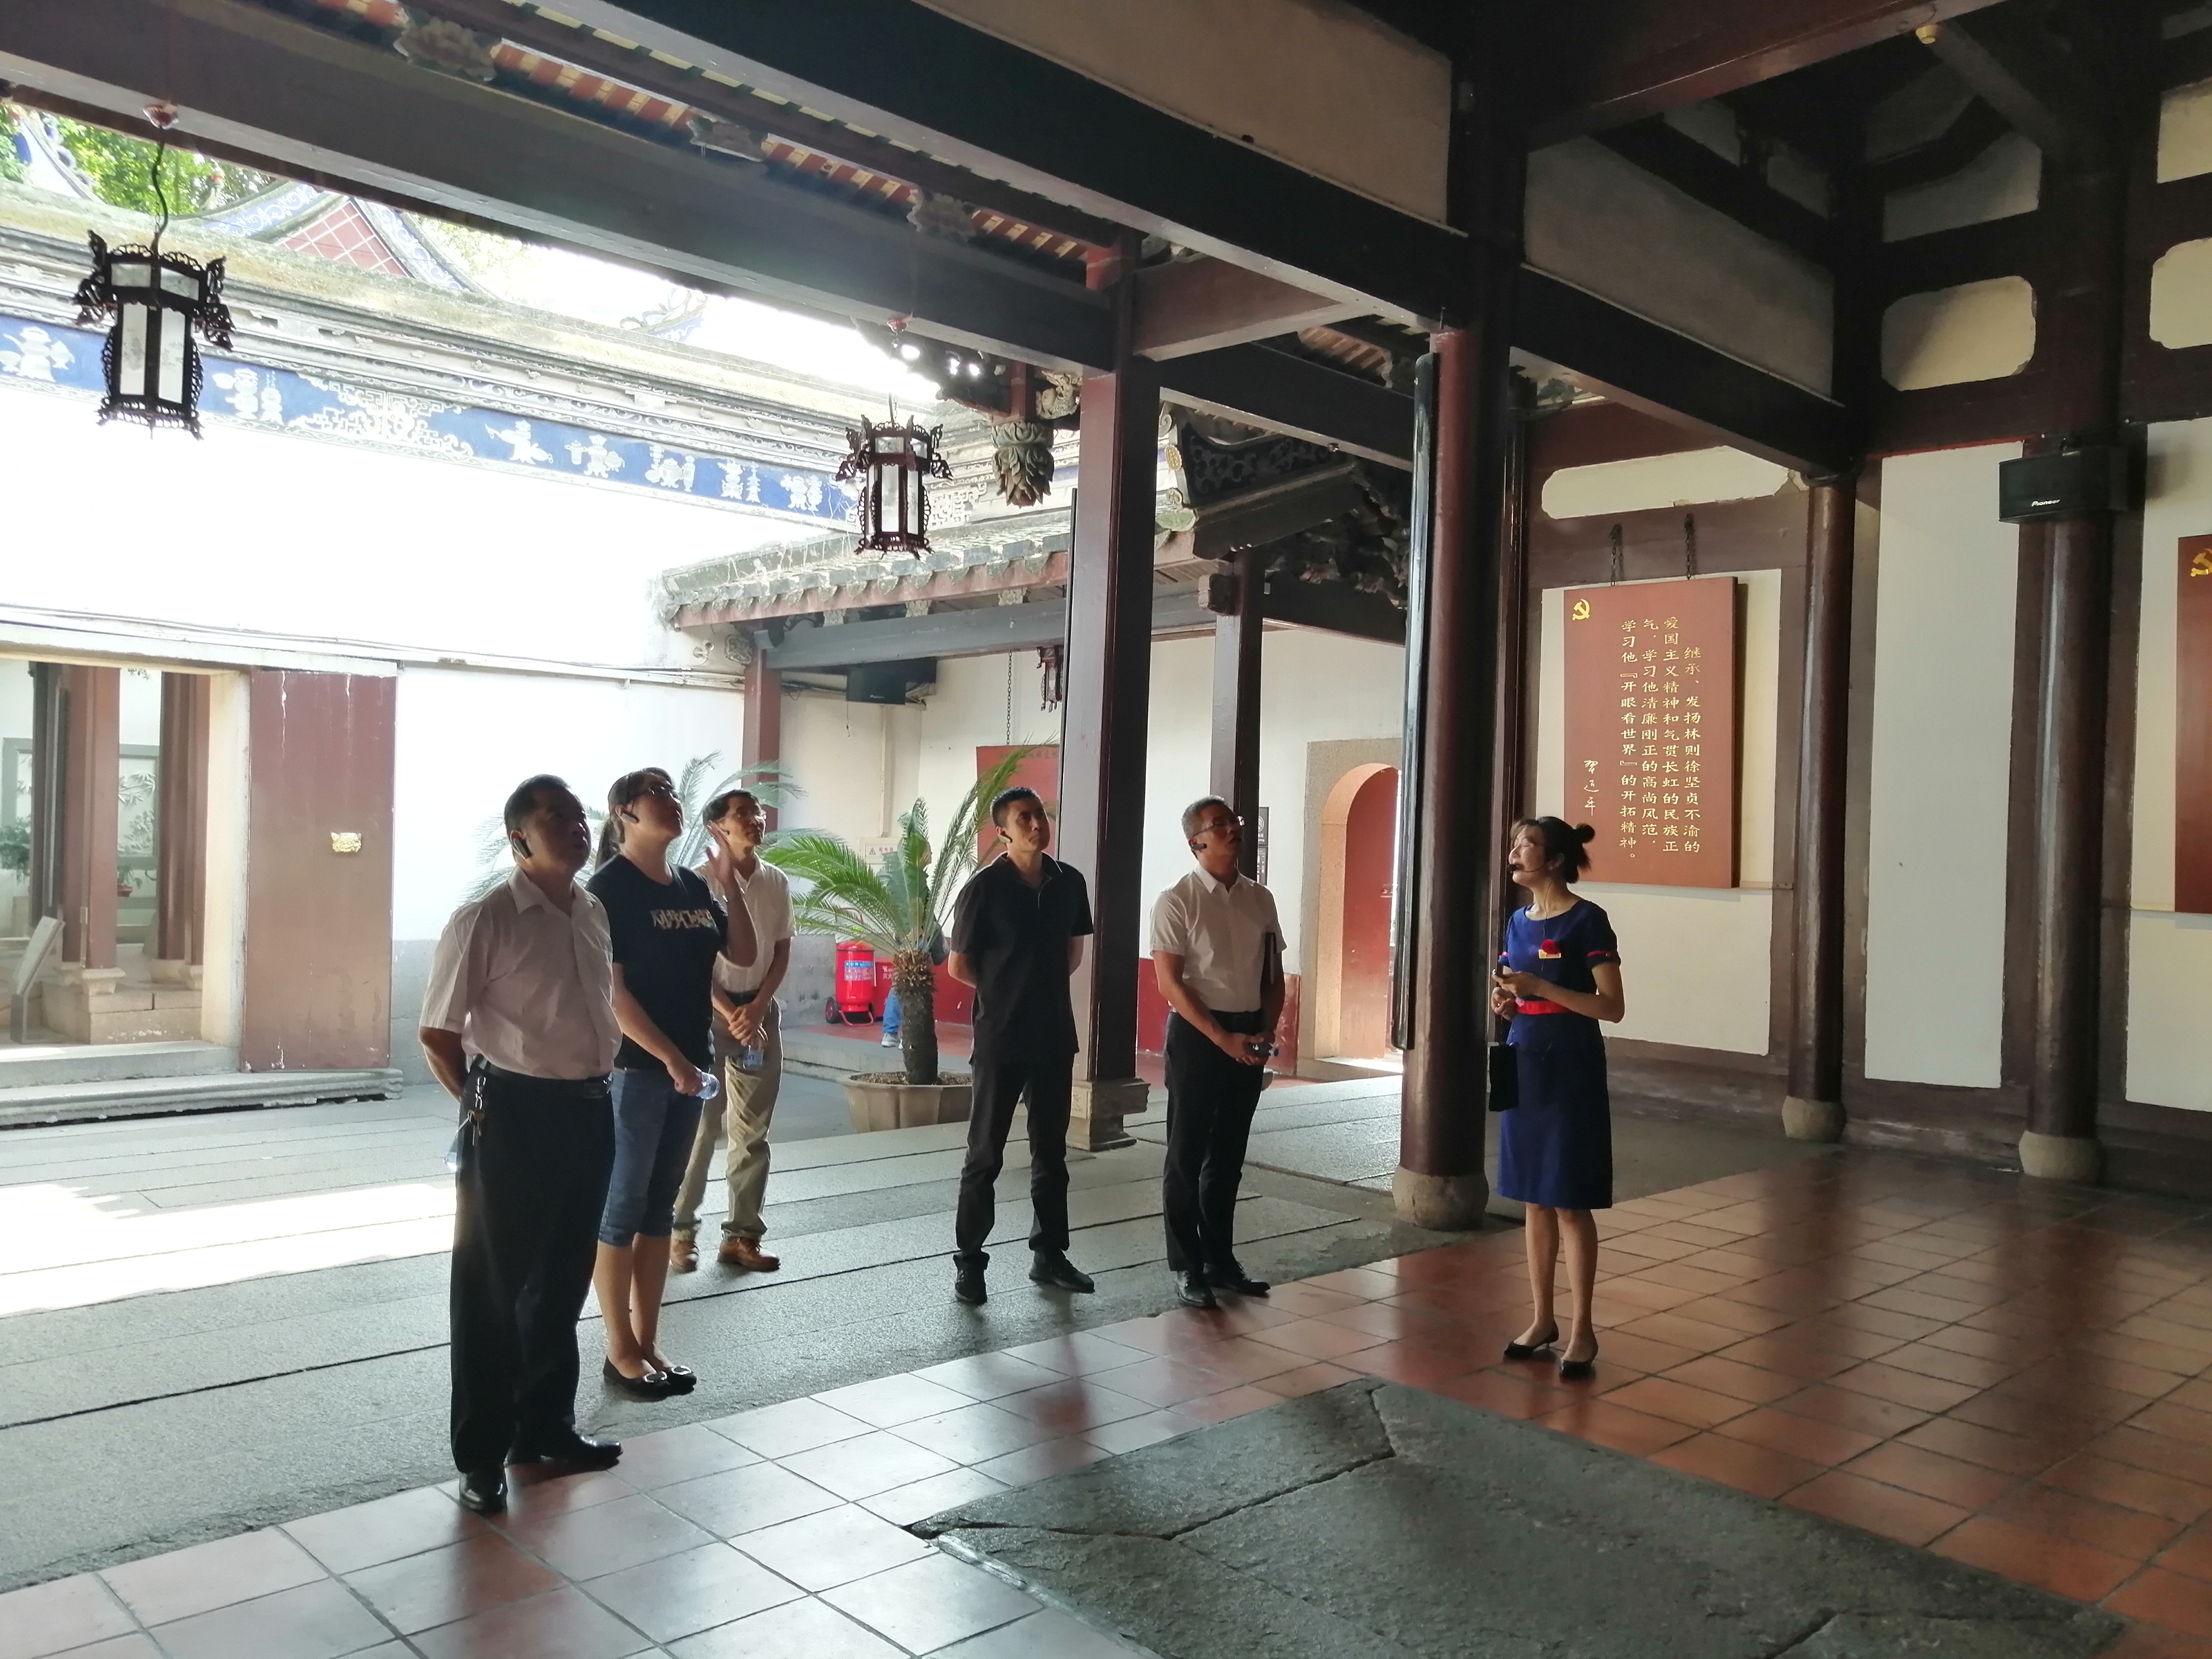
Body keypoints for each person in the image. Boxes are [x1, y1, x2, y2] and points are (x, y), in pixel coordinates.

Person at [420, 774, 625, 1516]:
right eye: (555, 816)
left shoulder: (592, 909)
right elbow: (437, 1033)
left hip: (589, 1111)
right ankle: (481, 1455)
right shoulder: (485, 918)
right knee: (491, 1291)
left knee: (562, 1281)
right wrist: (480, 1111)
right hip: (511, 1115)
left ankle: (544, 1429)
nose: (575, 825)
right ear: (518, 837)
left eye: (577, 814)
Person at [588, 768, 756, 1400]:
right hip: (636, 1072)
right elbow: (615, 996)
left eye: (673, 793)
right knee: (622, 1209)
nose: (671, 801)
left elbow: (743, 953)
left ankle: (649, 1341)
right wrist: (672, 1061)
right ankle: (619, 1348)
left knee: (660, 1207)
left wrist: (730, 886)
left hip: (689, 1068)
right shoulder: (609, 889)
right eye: (656, 794)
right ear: (624, 813)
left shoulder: (690, 884)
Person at [945, 785, 1096, 1306]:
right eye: (1024, 818)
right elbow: (959, 965)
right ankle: (970, 1263)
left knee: (1051, 1152)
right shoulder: (983, 889)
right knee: (985, 1154)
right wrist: (1008, 989)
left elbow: (1072, 953)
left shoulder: (1069, 882)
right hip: (1001, 1037)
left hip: (1054, 1035)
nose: (1036, 824)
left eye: (1040, 816)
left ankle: (1049, 1255)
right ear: (1003, 831)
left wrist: (1039, 990)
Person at [1491, 816, 1624, 1382]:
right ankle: (1542, 1318)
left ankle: (1583, 1329)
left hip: (1571, 1065)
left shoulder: (1587, 919)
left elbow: (1611, 1007)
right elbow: (1517, 992)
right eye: (1514, 843)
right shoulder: (1516, 922)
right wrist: (1507, 1004)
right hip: (1525, 1059)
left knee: (1569, 1199)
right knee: (1533, 1199)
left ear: (1553, 860)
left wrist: (1542, 987)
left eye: (1526, 845)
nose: (1514, 852)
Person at [1150, 796, 1283, 1309]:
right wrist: (1220, 1037)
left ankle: (1220, 1261)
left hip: (1248, 1030)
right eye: (1218, 824)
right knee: (1186, 1154)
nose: (1232, 829)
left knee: (1228, 1155)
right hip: (1197, 1034)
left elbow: (1272, 975)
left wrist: (1266, 1027)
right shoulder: (1177, 900)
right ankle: (1186, 1266)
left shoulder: (1260, 899)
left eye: (1234, 821)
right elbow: (1170, 983)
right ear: (1196, 843)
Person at [671, 788, 792, 1275]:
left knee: (753, 1131)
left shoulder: (776, 881)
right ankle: (680, 1233)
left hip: (759, 1014)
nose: (756, 819)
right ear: (716, 828)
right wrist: (728, 1010)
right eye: (742, 813)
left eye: (757, 811)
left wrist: (758, 1009)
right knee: (699, 1129)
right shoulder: (695, 883)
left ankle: (742, 1237)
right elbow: (689, 963)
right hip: (705, 1014)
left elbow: (781, 950)